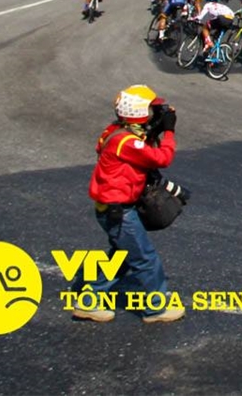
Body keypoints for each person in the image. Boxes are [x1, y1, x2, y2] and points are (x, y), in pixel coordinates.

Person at [75, 85, 184, 323]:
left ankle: (89, 301)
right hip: (118, 210)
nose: (154, 113)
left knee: (122, 256)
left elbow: (139, 147)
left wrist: (154, 130)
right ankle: (157, 308)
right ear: (138, 112)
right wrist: (169, 132)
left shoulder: (116, 132)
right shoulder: (126, 142)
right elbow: (162, 158)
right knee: (145, 258)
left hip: (112, 208)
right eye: (151, 110)